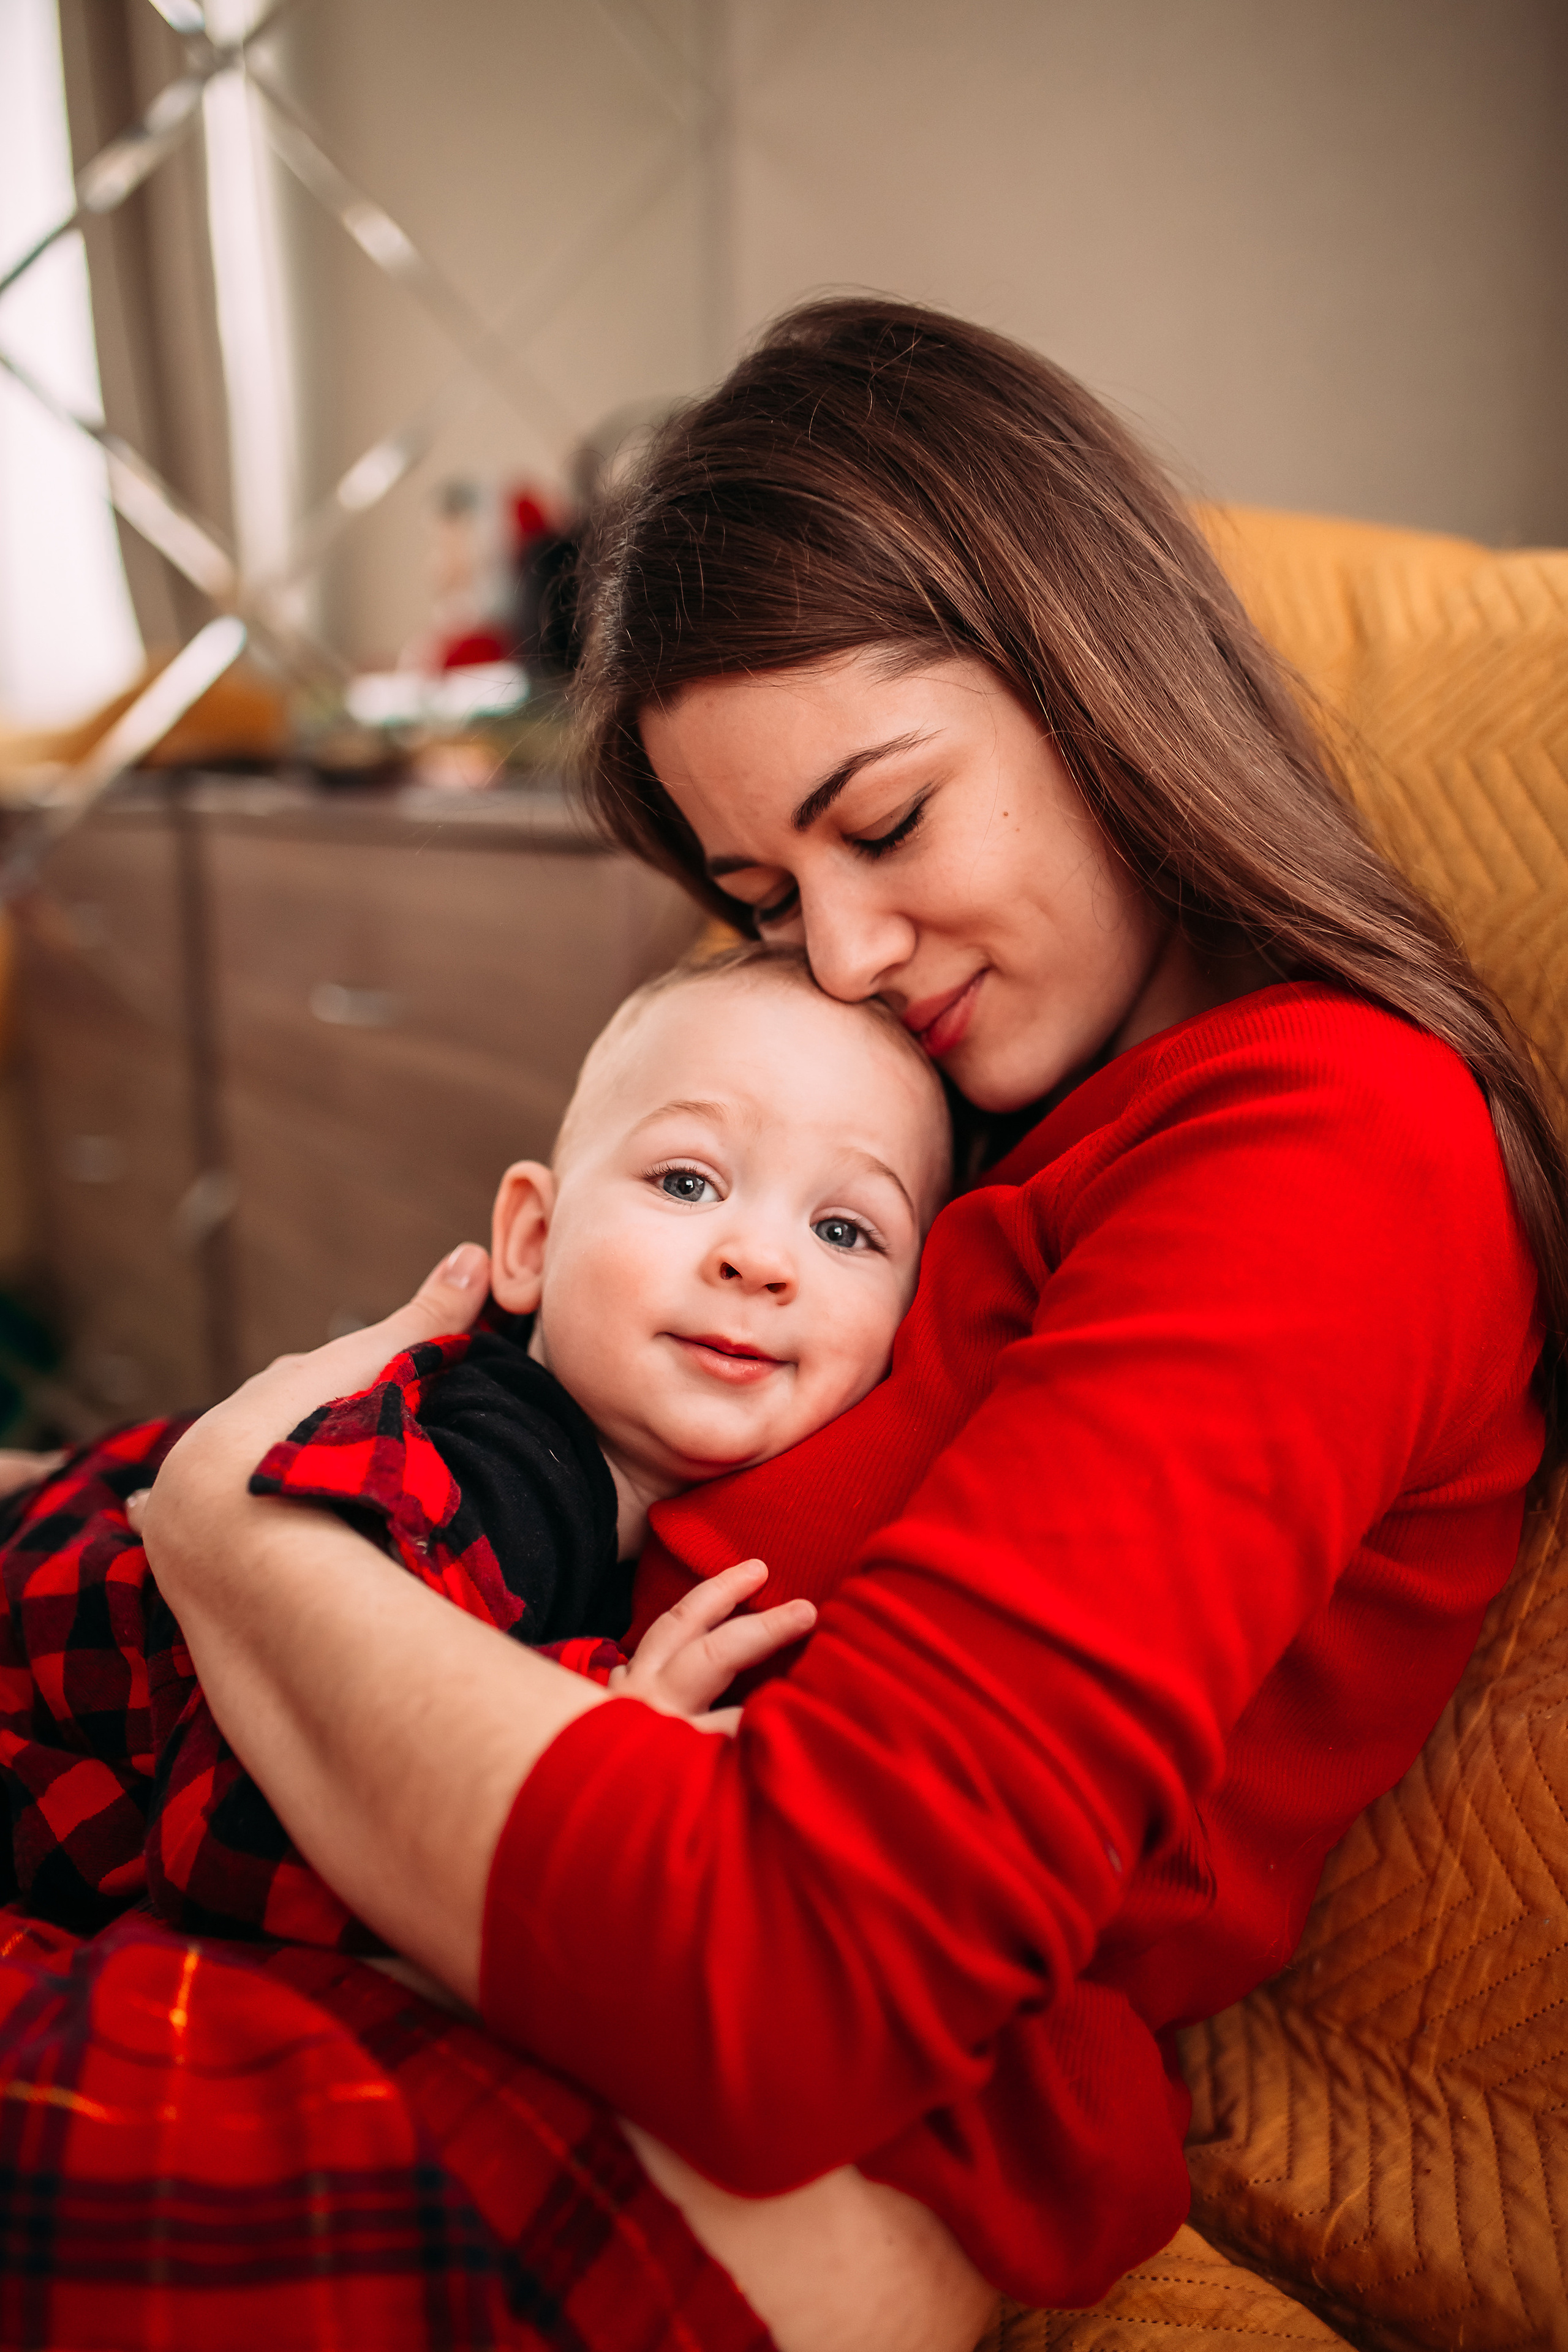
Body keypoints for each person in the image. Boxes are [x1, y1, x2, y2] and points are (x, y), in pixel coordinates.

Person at [4, 296, 1565, 2352]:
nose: (842, 952)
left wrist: (241, 1534)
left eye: (891, 822)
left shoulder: (1326, 1145)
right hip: (387, 1943)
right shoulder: (970, 1106)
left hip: (670, 2165)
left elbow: (804, 1988)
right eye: (759, 891)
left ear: (1109, 684)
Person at [0, 943, 948, 1948]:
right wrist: (598, 1739)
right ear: (532, 1241)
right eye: (686, 1181)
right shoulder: (496, 1478)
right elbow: (227, 1843)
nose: (759, 1260)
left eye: (845, 1231)